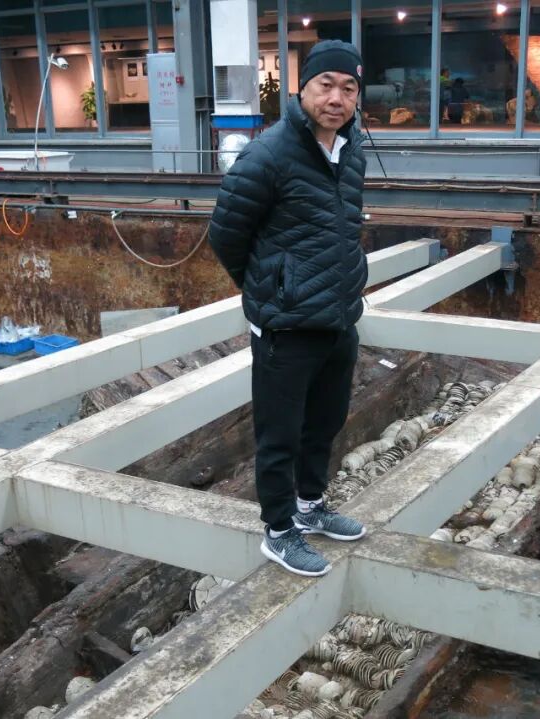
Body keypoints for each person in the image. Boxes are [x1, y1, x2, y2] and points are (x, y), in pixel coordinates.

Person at [209, 40, 368, 577]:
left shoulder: (351, 150)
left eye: (348, 88)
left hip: (339, 316)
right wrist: (270, 291)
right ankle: (279, 531)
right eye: (326, 85)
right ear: (304, 89)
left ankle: (310, 506)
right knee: (279, 433)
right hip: (286, 323)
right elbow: (226, 234)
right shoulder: (269, 154)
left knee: (325, 421)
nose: (336, 98)